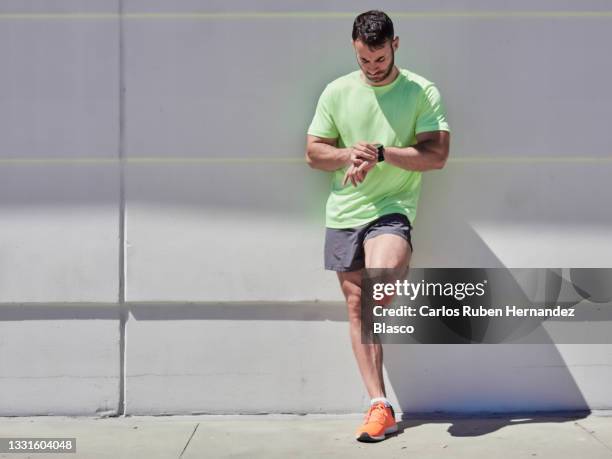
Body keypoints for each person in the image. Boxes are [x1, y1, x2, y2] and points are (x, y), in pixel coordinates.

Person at [305, 10, 451, 442]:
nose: (373, 67)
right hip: (345, 213)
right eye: (365, 60)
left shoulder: (420, 91)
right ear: (355, 49)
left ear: (395, 45)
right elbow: (314, 153)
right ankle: (378, 406)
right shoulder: (337, 92)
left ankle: (379, 401)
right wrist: (352, 153)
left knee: (380, 282)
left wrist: (382, 154)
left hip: (392, 207)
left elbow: (436, 156)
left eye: (380, 58)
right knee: (357, 305)